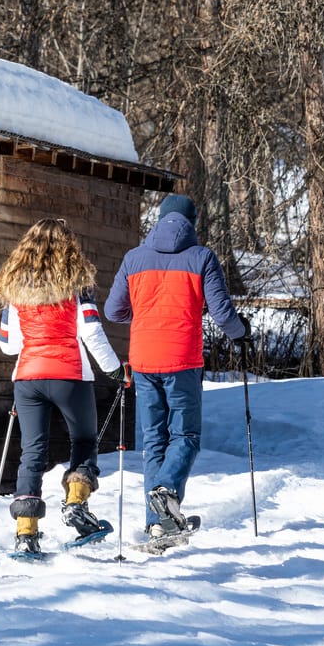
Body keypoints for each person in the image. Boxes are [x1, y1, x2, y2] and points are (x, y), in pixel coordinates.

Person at [104, 192, 246, 542]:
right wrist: (241, 334)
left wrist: (143, 316)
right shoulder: (201, 257)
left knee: (154, 440)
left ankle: (158, 522)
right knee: (186, 436)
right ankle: (166, 491)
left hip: (144, 359)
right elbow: (222, 312)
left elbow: (113, 311)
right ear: (191, 223)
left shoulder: (134, 258)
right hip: (182, 359)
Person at [0, 218, 128, 556]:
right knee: (83, 441)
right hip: (70, 375)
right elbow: (92, 333)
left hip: (28, 377)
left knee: (32, 453)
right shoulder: (77, 285)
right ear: (69, 248)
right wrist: (114, 370)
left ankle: (26, 532)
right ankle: (77, 507)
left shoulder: (16, 290)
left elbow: (7, 345)